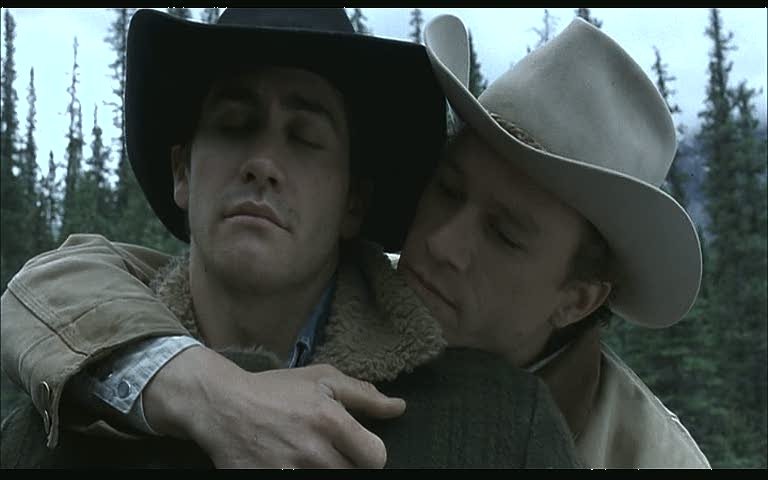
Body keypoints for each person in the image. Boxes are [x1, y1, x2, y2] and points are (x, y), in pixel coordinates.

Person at [2, 11, 711, 469]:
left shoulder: (614, 446)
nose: (440, 243)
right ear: (183, 171)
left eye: (505, 234)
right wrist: (196, 385)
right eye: (446, 190)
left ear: (577, 297)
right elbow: (63, 289)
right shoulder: (81, 400)